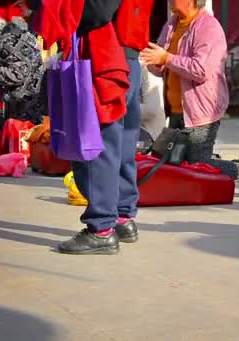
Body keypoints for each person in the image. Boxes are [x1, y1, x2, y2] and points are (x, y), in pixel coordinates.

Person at [40, 0, 155, 255]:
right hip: (127, 56)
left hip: (104, 56)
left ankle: (101, 229)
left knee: (96, 143)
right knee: (123, 144)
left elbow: (98, 10)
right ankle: (122, 219)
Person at [140, 0, 239, 199]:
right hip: (176, 108)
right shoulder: (171, 24)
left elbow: (201, 70)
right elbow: (159, 63)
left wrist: (166, 58)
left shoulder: (208, 27)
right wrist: (156, 63)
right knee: (176, 162)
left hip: (202, 109)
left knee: (197, 165)